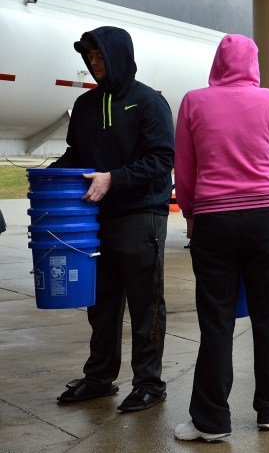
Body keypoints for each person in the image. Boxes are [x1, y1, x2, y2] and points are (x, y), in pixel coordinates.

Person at [173, 34, 269, 440]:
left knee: (216, 319)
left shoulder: (194, 101)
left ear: (218, 62)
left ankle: (210, 422)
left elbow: (184, 168)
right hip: (263, 215)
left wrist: (191, 212)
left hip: (213, 219)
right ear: (253, 63)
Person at [52, 26, 174, 412]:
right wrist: (50, 176)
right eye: (89, 56)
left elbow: (161, 161)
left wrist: (114, 179)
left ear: (119, 55)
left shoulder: (148, 103)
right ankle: (100, 377)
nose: (93, 63)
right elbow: (76, 155)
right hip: (96, 219)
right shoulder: (86, 105)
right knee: (100, 303)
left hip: (141, 216)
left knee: (145, 303)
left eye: (100, 55)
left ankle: (149, 383)